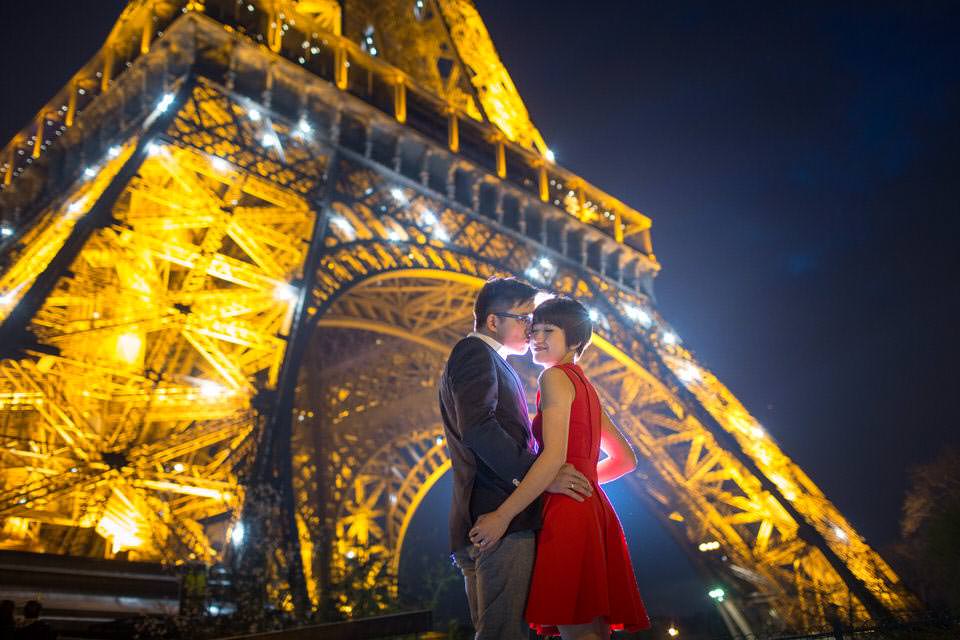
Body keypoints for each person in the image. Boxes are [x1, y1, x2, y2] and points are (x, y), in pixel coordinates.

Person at [469, 296, 650, 639]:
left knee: (576, 629)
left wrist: (502, 516)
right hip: (594, 511)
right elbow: (626, 459)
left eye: (548, 330)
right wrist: (586, 480)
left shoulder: (553, 378)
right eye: (534, 329)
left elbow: (553, 458)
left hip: (566, 514)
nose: (537, 337)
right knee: (592, 630)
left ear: (576, 340)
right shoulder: (585, 385)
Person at [439, 277, 594, 640]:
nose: (532, 329)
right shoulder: (475, 352)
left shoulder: (489, 360)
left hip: (482, 516)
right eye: (525, 319)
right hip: (497, 517)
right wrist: (540, 476)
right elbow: (478, 429)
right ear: (493, 322)